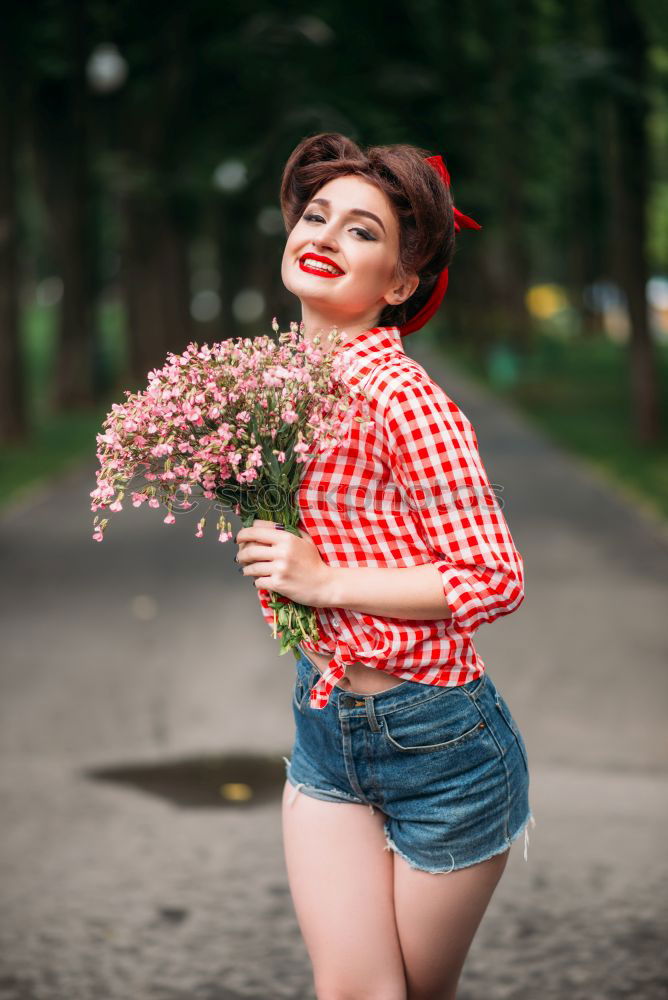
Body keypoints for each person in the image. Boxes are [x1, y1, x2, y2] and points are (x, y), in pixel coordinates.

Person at [235, 132, 535, 1000]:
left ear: (400, 284)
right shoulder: (276, 388)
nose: (325, 236)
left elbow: (493, 576)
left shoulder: (404, 399)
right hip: (326, 723)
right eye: (316, 215)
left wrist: (324, 581)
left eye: (363, 231)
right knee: (353, 990)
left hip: (440, 742)